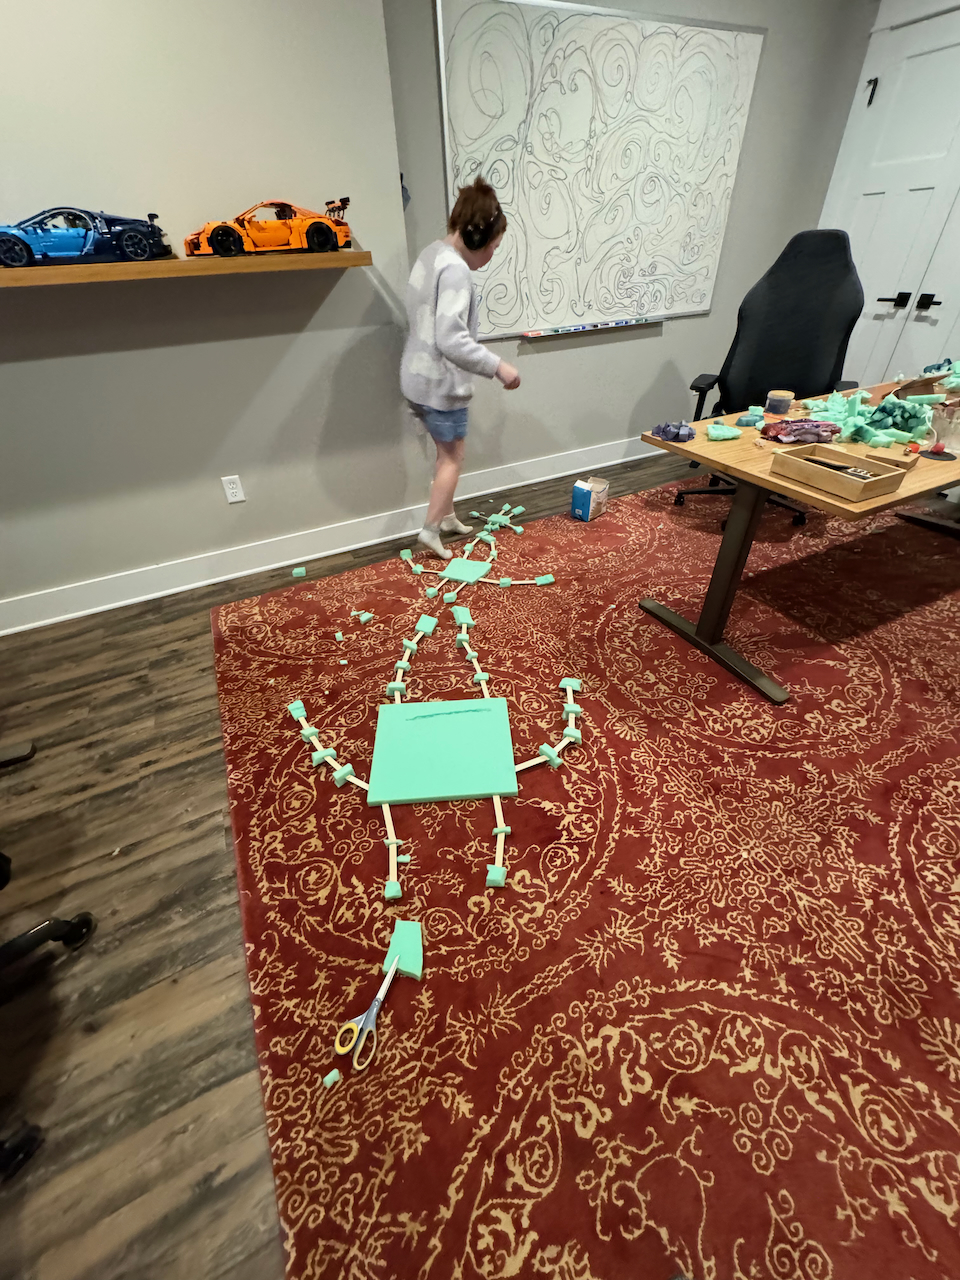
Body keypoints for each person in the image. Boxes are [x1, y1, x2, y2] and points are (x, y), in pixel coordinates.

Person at [401, 176, 521, 559]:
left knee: (446, 452)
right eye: (493, 247)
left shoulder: (431, 254)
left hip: (416, 378)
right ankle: (430, 530)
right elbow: (451, 339)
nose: (492, 255)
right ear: (476, 237)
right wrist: (498, 366)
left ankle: (447, 515)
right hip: (441, 385)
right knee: (452, 458)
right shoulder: (456, 272)